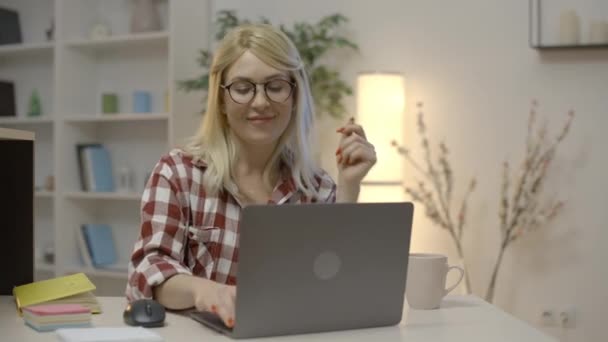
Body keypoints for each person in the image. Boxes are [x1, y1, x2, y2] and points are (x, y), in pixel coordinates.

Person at [126, 23, 377, 329]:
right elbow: (148, 271)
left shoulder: (317, 188)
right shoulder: (177, 173)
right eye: (243, 88)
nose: (260, 102)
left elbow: (340, 285)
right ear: (221, 99)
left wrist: (349, 187)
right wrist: (204, 290)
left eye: (275, 86)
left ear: (295, 95)